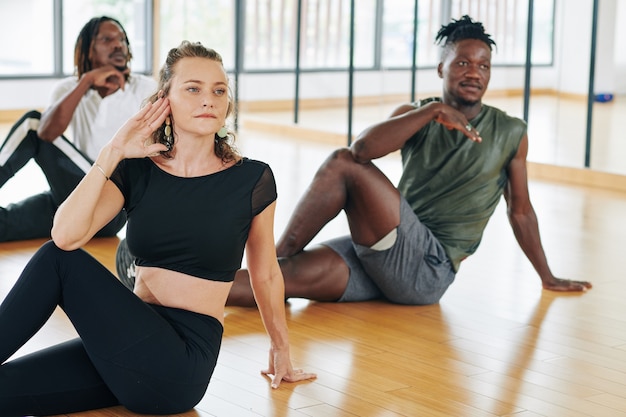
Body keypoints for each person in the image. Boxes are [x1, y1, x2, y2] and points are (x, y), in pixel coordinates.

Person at [0, 41, 315, 416]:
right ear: (164, 100)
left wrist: (281, 350)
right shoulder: (137, 169)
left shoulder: (252, 179)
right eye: (193, 89)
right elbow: (66, 235)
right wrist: (112, 151)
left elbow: (265, 273)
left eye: (219, 91)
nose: (208, 100)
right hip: (130, 344)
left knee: (57, 262)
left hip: (180, 364)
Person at [223, 15, 593, 307]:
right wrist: (433, 111)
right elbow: (362, 150)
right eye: (462, 62)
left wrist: (547, 276)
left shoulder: (511, 130)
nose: (474, 73)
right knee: (275, 283)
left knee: (339, 166)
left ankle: (272, 260)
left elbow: (522, 212)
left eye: (483, 66)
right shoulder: (417, 115)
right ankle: (170, 292)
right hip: (383, 254)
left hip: (427, 270)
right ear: (440, 69)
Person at [0, 16, 156, 242]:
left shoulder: (145, 89)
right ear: (88, 50)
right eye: (107, 39)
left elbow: (38, 131)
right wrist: (86, 82)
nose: (118, 44)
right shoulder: (68, 89)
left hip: (111, 202)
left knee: (32, 123)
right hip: (73, 199)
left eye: (122, 39)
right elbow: (49, 133)